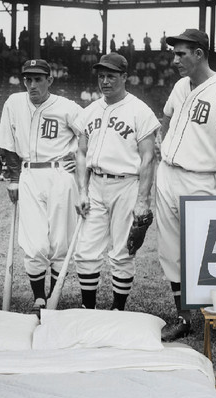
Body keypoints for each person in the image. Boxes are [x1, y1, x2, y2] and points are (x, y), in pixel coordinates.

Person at [157, 29, 216, 341]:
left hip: (200, 179)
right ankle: (183, 318)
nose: (175, 59)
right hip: (167, 173)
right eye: (175, 53)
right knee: (171, 252)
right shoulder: (182, 85)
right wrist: (163, 143)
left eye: (181, 53)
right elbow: (167, 116)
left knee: (212, 254)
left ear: (199, 54)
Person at [74, 53, 159, 310]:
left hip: (126, 184)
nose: (105, 81)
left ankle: (117, 309)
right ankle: (88, 309)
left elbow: (148, 158)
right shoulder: (89, 111)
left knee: (123, 253)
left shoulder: (140, 111)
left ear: (124, 77)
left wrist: (143, 200)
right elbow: (80, 152)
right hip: (96, 184)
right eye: (101, 76)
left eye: (111, 75)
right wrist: (82, 191)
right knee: (86, 251)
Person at [0, 59, 82, 312]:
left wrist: (77, 155)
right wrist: (12, 179)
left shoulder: (67, 106)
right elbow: (7, 142)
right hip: (28, 175)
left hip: (59, 176)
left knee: (60, 242)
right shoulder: (14, 102)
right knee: (33, 244)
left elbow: (90, 133)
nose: (32, 84)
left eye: (38, 79)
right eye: (28, 79)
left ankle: (54, 295)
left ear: (50, 80)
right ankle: (39, 297)